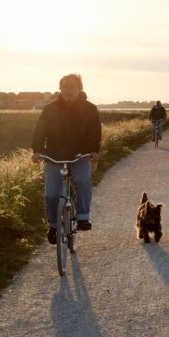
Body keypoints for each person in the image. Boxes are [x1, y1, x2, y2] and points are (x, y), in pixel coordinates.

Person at [32, 74, 102, 244]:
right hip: (54, 156)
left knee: (82, 180)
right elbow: (40, 131)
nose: (68, 90)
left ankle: (83, 217)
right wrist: (38, 151)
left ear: (79, 89)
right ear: (60, 89)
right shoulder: (50, 109)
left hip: (80, 155)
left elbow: (95, 131)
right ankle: (54, 225)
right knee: (51, 196)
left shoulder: (90, 109)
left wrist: (94, 151)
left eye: (72, 87)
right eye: (65, 87)